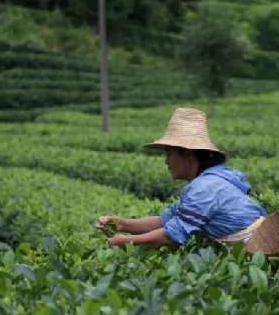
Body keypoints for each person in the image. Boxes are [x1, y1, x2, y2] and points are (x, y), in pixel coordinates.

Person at [96, 107, 267, 249]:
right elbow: (166, 221)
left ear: (187, 154)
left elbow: (172, 235)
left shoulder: (204, 188)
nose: (166, 161)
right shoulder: (212, 178)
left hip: (258, 250)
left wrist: (125, 242)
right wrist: (121, 224)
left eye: (169, 154)